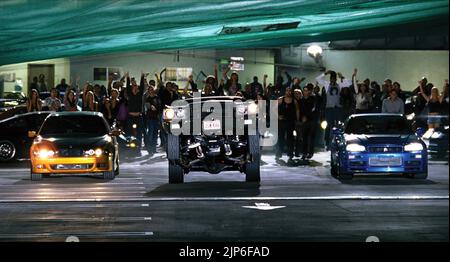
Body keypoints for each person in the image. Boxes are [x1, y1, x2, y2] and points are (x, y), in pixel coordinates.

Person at [316, 70, 352, 150]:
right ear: (330, 79)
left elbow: (349, 83)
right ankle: (328, 144)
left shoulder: (339, 84)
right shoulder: (326, 84)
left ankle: (338, 143)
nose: (333, 80)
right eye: (331, 79)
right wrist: (325, 73)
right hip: (329, 109)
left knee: (339, 126)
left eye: (334, 79)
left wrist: (342, 76)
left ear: (336, 79)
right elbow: (318, 79)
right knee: (329, 126)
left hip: (338, 108)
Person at [276, 87, 300, 164]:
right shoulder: (280, 99)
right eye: (287, 91)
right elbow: (273, 108)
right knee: (280, 138)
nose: (288, 92)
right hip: (281, 122)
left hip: (291, 122)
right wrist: (278, 116)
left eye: (290, 91)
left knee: (290, 139)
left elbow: (297, 110)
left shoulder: (294, 101)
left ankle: (290, 154)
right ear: (285, 91)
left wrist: (297, 120)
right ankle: (279, 152)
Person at [125, 72, 146, 151]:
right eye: (133, 87)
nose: (135, 88)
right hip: (130, 116)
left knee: (140, 132)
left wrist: (142, 76)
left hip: (138, 116)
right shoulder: (130, 94)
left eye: (136, 87)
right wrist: (127, 78)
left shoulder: (140, 95)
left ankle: (139, 146)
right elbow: (127, 87)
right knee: (129, 131)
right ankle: (129, 146)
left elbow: (142, 86)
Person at [299, 84, 317, 160]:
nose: (305, 92)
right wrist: (301, 118)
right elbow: (299, 110)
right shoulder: (301, 100)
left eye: (306, 90)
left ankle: (310, 153)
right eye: (304, 90)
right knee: (304, 138)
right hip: (304, 121)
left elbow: (313, 109)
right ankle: (304, 153)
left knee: (311, 138)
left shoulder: (312, 99)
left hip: (311, 120)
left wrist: (306, 116)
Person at [144, 85, 161, 157]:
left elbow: (159, 106)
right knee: (150, 133)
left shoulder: (157, 98)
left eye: (152, 89)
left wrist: (156, 108)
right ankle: (149, 149)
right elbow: (148, 107)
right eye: (149, 90)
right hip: (150, 118)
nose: (151, 91)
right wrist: (151, 106)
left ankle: (153, 149)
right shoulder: (147, 98)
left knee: (155, 134)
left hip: (156, 118)